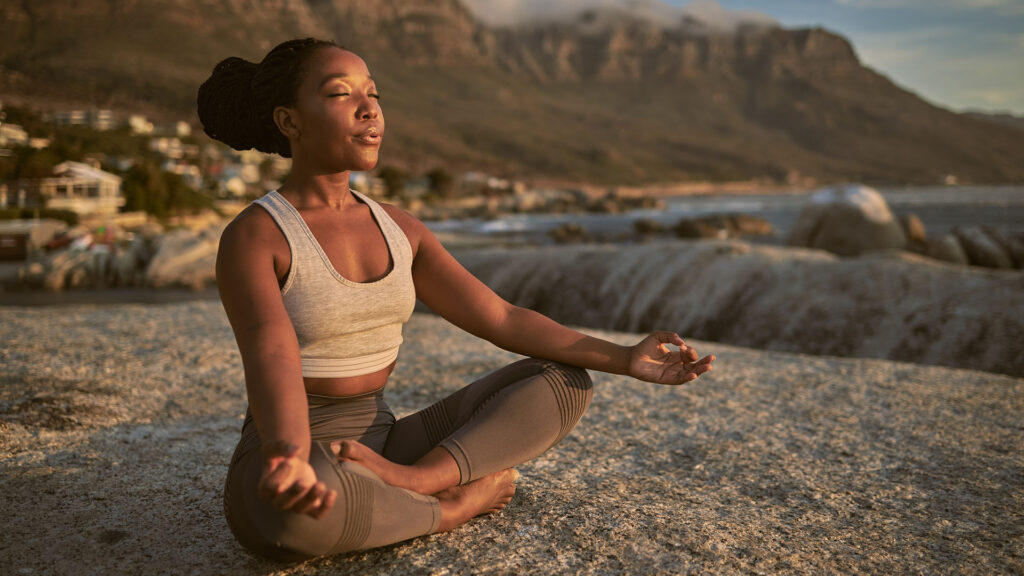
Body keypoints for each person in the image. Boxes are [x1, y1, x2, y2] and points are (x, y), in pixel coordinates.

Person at [198, 37, 715, 562]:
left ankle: (417, 481)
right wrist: (288, 454)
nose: (369, 107)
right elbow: (272, 351)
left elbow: (502, 317)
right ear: (289, 121)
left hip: (385, 441)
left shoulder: (401, 229)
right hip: (295, 447)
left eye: (373, 93)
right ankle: (452, 508)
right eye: (340, 93)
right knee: (290, 522)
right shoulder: (257, 235)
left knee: (561, 381)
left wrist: (625, 358)